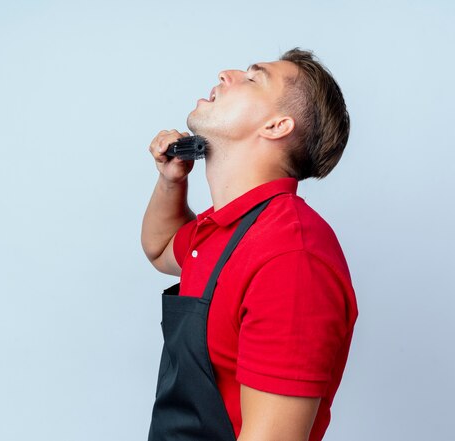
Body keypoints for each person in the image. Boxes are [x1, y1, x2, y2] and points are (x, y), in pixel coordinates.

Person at [141, 47, 358, 441]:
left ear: (277, 126)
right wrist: (171, 181)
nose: (226, 73)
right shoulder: (226, 228)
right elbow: (160, 248)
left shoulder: (291, 257)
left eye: (253, 77)